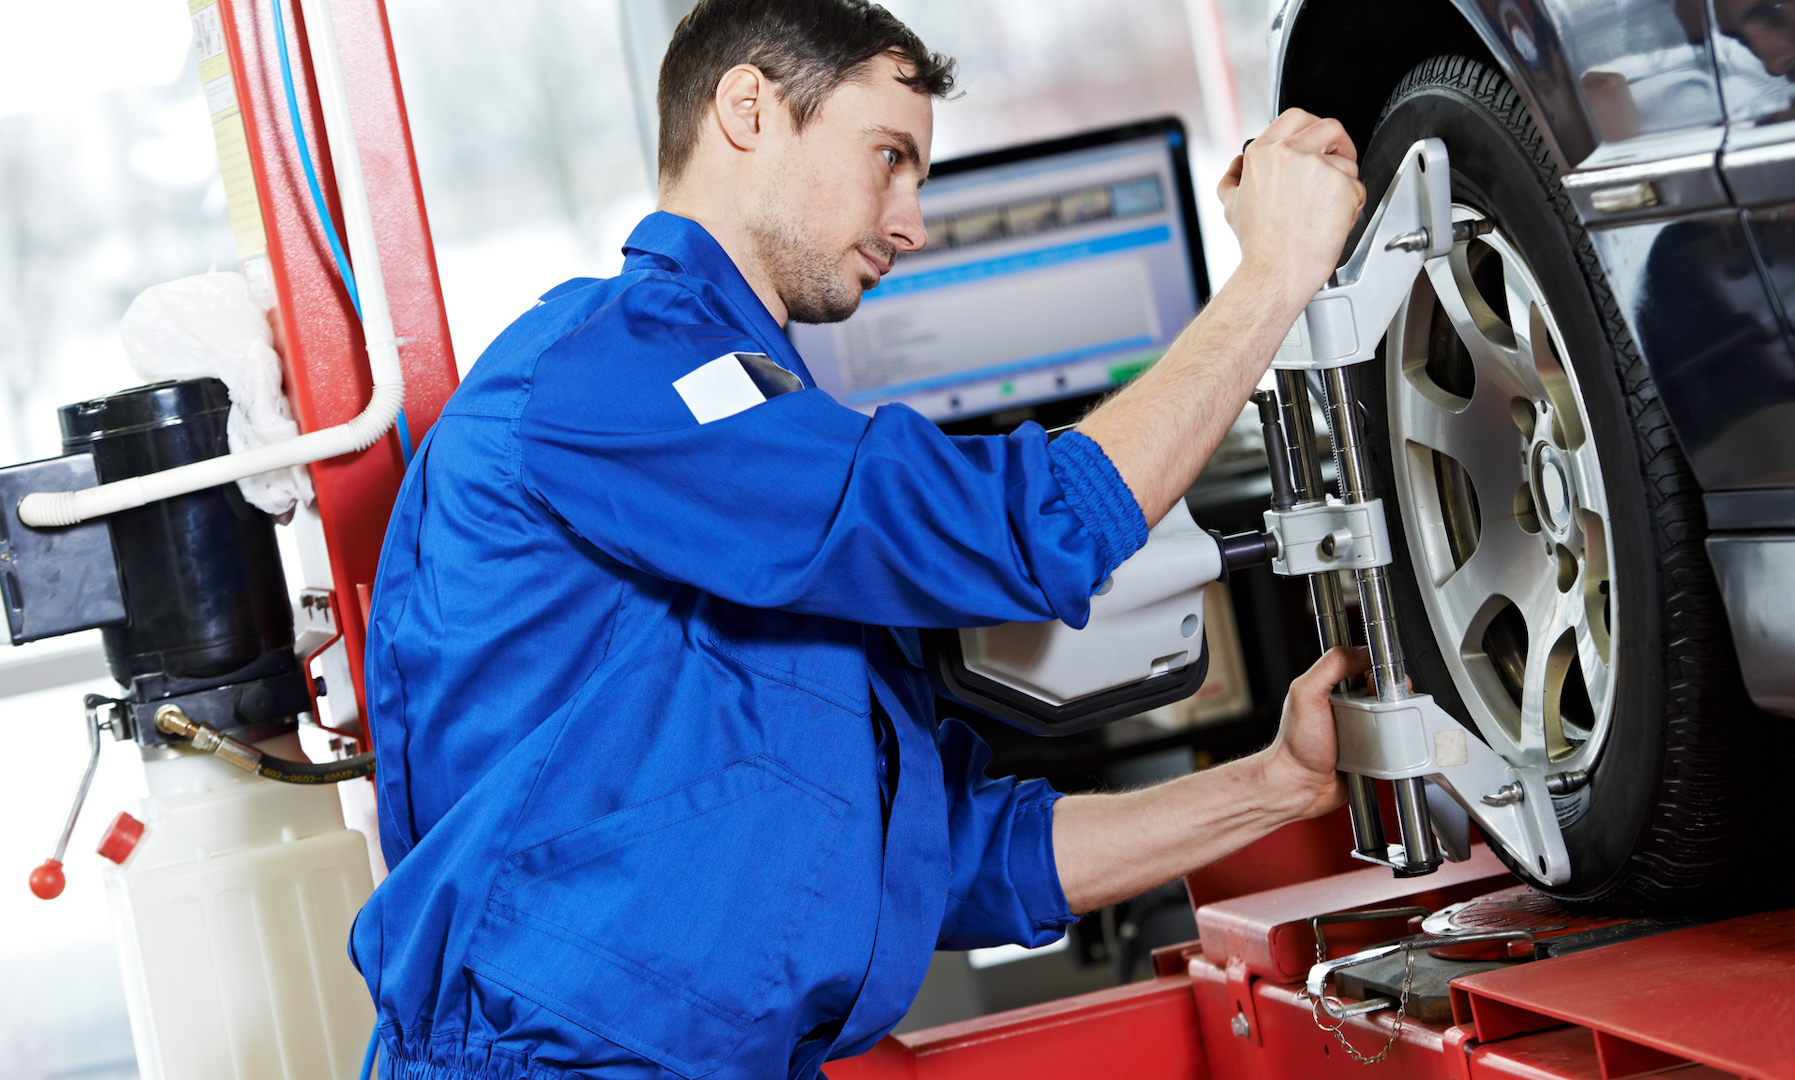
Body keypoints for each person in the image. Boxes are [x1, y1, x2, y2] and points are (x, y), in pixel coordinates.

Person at [348, 1, 1368, 1077]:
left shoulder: (757, 425)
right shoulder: (612, 374)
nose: (911, 221)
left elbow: (936, 860)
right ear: (748, 109)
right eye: (888, 158)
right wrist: (1270, 278)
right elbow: (1028, 533)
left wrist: (1275, 784)